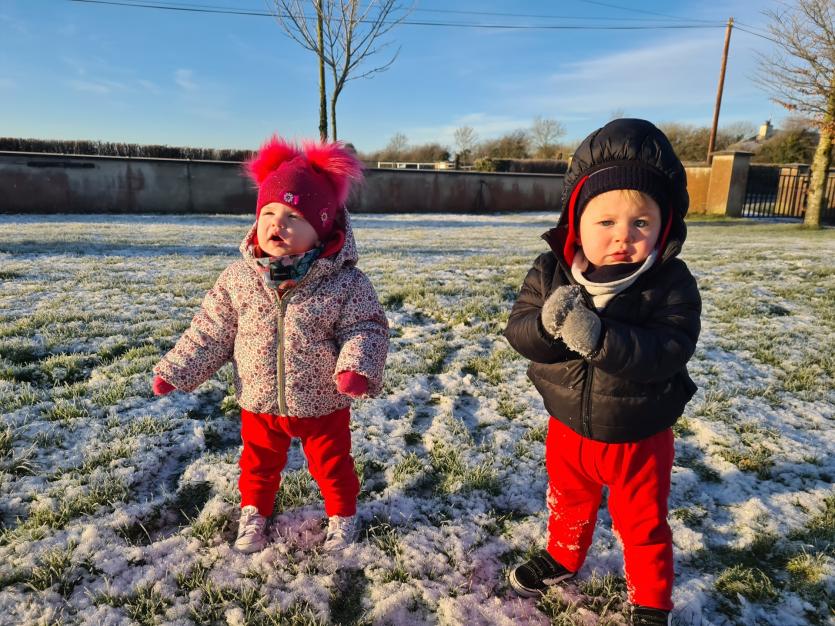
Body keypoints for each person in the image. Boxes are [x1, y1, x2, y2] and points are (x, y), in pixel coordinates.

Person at [503, 118, 701, 625]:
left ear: (664, 225)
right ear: (577, 220)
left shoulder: (670, 283)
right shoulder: (551, 271)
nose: (622, 236)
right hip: (567, 426)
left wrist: (602, 340)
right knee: (568, 500)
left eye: (641, 223)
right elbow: (519, 330)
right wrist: (548, 330)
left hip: (638, 436)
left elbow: (669, 349)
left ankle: (652, 599)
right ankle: (563, 555)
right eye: (606, 221)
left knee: (642, 523)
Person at [152, 135, 389, 553]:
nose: (277, 223)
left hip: (322, 401)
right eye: (269, 211)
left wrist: (354, 368)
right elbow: (212, 329)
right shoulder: (239, 279)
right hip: (259, 398)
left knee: (333, 467)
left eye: (294, 215)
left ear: (321, 228)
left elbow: (366, 327)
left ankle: (342, 515)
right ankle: (254, 513)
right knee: (257, 466)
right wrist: (178, 369)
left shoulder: (345, 282)